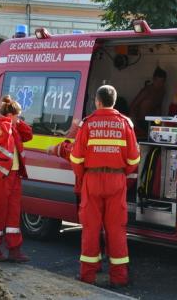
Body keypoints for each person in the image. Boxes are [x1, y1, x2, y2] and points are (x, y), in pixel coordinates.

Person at [70, 85, 140, 286]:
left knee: (91, 229)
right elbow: (134, 159)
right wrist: (119, 174)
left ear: (97, 102)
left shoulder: (87, 124)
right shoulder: (125, 124)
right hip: (116, 180)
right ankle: (119, 277)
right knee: (116, 229)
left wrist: (84, 177)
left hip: (92, 180)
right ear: (114, 101)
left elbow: (76, 158)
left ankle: (87, 275)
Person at [0, 95, 33, 262]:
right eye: (17, 116)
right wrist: (8, 121)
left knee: (13, 214)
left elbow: (28, 135)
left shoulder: (14, 126)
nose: (19, 119)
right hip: (0, 176)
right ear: (10, 115)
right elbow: (2, 136)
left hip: (13, 175)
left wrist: (17, 122)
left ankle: (14, 249)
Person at [129, 67, 167, 136]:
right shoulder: (146, 91)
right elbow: (133, 106)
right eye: (158, 81)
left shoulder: (162, 91)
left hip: (154, 122)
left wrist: (160, 122)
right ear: (154, 80)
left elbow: (159, 106)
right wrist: (135, 125)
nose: (159, 84)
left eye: (162, 82)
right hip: (141, 122)